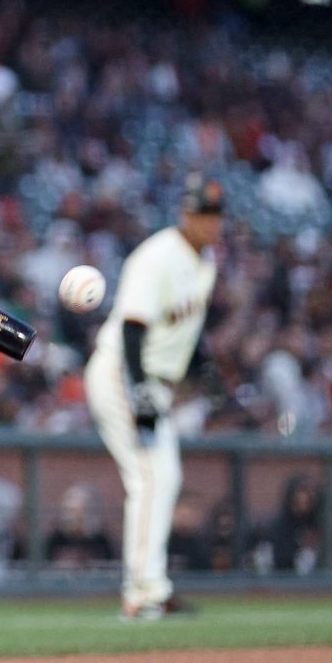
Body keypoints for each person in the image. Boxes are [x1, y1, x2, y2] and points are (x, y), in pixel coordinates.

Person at [84, 173, 222, 621]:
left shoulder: (206, 262)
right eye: (203, 213)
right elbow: (132, 325)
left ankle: (152, 588)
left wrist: (204, 368)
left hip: (152, 381)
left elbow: (185, 330)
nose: (211, 222)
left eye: (216, 214)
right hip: (122, 372)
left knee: (165, 476)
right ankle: (142, 593)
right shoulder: (158, 256)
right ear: (185, 214)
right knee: (149, 477)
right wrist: (141, 387)